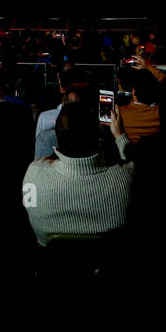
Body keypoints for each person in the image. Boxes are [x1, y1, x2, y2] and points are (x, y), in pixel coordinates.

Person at [22, 101, 136, 245]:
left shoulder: (33, 174)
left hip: (50, 264)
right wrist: (120, 135)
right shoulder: (126, 176)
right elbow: (135, 162)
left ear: (57, 139)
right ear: (98, 138)